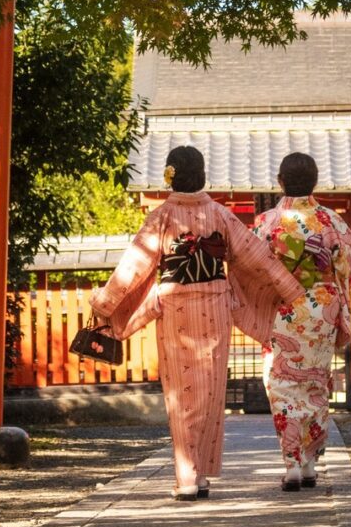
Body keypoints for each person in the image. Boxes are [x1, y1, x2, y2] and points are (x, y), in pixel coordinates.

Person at [89, 145, 302, 502]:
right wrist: (288, 288)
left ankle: (188, 476)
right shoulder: (220, 214)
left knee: (181, 393)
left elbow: (133, 267)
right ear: (202, 174)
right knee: (209, 392)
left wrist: (106, 301)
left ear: (171, 175)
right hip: (216, 306)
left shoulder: (161, 216)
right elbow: (255, 256)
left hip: (175, 309)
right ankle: (198, 474)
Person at [253, 152, 351, 491]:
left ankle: (291, 464)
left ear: (280, 182)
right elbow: (347, 270)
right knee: (315, 383)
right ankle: (310, 462)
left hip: (282, 309)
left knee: (281, 385)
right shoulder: (332, 222)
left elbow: (249, 271)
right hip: (321, 311)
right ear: (315, 181)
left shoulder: (266, 223)